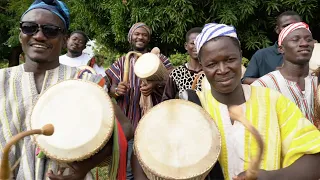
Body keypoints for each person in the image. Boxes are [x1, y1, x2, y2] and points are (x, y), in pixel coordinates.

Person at [132, 23, 320, 180]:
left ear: (240, 57)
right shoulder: (190, 108)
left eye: (230, 59)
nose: (222, 70)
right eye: (212, 64)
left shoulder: (274, 101)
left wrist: (271, 177)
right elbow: (142, 154)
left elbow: (314, 156)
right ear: (203, 66)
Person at [0, 0, 133, 179]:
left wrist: (83, 168)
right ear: (20, 34)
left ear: (64, 40)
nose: (39, 36)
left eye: (50, 30)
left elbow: (125, 127)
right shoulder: (2, 80)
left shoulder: (85, 80)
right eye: (29, 27)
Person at [106, 22, 173, 180]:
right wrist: (116, 91)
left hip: (154, 123)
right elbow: (109, 86)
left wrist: (155, 85)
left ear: (148, 39)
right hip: (128, 123)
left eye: (144, 35)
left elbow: (172, 79)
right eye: (137, 34)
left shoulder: (159, 59)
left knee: (154, 165)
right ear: (131, 37)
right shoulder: (123, 61)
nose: (140, 37)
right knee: (127, 167)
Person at [252, 22, 320, 128]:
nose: (304, 43)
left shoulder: (317, 80)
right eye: (295, 39)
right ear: (281, 49)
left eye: (309, 39)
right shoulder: (262, 86)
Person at [242, 11, 302, 84]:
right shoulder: (262, 55)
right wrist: (273, 80)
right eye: (286, 26)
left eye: (296, 26)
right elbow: (246, 80)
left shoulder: (313, 51)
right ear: (277, 29)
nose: (291, 29)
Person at [162, 27, 205, 101]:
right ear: (186, 46)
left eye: (200, 43)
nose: (196, 46)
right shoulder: (177, 73)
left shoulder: (210, 71)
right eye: (192, 43)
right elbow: (167, 101)